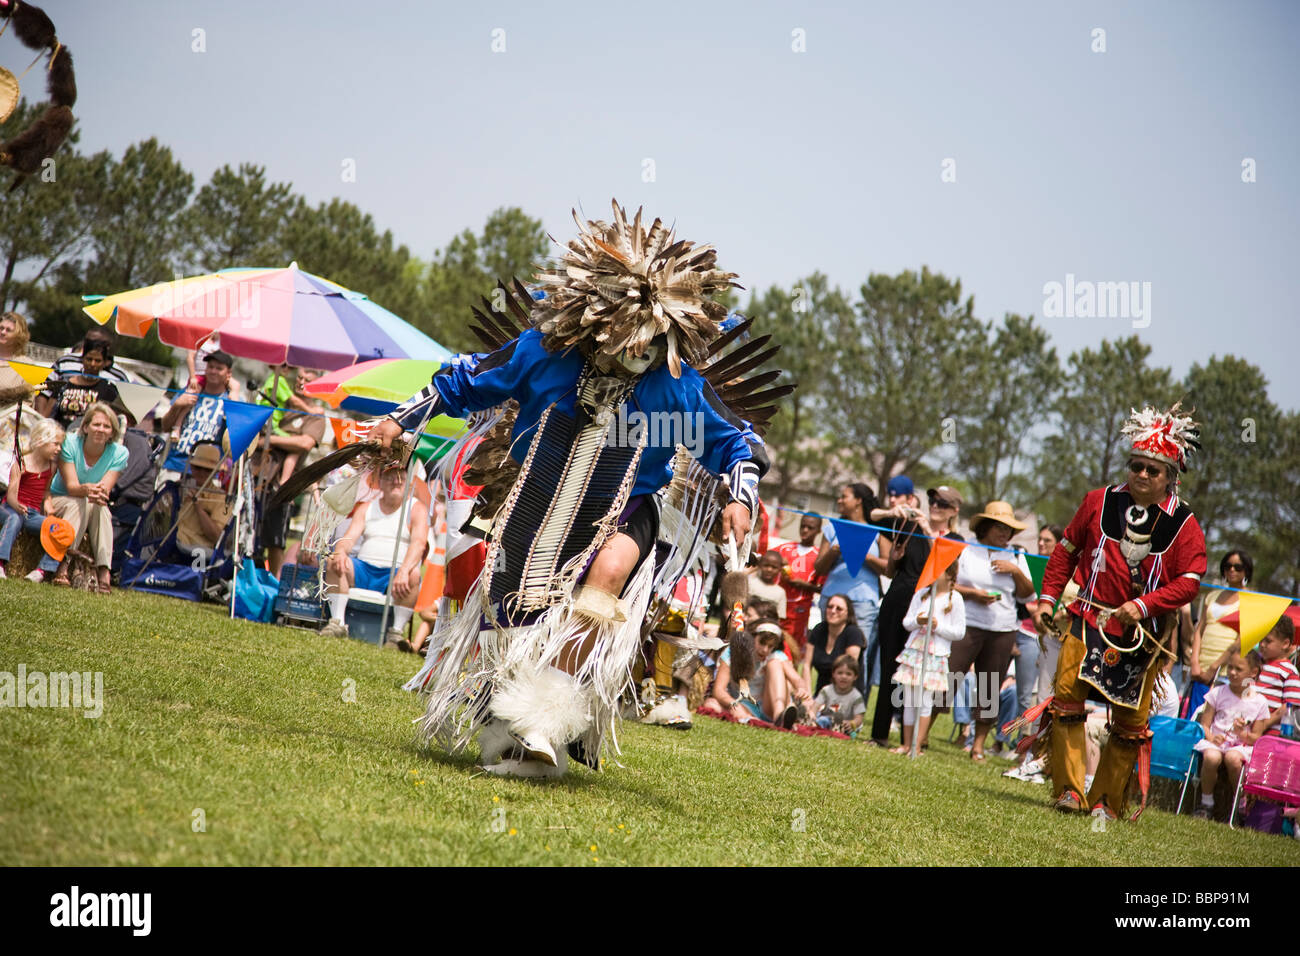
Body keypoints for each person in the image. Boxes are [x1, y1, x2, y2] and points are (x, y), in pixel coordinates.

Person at [372, 203, 775, 778]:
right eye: (627, 340)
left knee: (607, 575)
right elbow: (466, 380)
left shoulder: (675, 387)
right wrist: (402, 418)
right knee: (513, 612)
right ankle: (510, 719)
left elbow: (737, 443)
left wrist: (739, 495)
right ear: (597, 324)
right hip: (535, 503)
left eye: (650, 342)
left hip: (625, 507)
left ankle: (545, 720)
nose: (638, 353)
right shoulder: (544, 353)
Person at [1034, 403, 1207, 821]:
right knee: (1067, 701)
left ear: (1170, 477)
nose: (1142, 475)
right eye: (1137, 466)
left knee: (1130, 721)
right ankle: (1070, 792)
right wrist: (1047, 598)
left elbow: (1191, 580)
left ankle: (1107, 802)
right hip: (1087, 618)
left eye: (1153, 470)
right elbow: (1065, 552)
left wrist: (1143, 605)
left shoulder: (1184, 523)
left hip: (1142, 634)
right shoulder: (1098, 502)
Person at [868, 482, 963, 746]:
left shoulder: (954, 540)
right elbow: (873, 516)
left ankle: (912, 741)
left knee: (918, 674)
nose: (934, 506)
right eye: (932, 501)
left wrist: (924, 528)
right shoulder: (910, 526)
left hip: (927, 606)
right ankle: (879, 735)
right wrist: (897, 511)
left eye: (942, 503)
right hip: (898, 597)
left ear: (953, 510)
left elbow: (942, 564)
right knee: (888, 666)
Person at [951, 501, 1035, 761]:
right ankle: (922, 734)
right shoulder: (966, 550)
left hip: (1002, 629)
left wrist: (1016, 572)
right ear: (985, 527)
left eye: (1008, 529)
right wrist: (974, 594)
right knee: (950, 677)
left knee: (989, 688)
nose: (1004, 533)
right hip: (967, 623)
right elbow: (948, 584)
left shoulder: (1017, 556)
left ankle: (978, 746)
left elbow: (1027, 595)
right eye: (999, 527)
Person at [322, 464, 430, 650]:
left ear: (408, 484)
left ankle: (395, 634)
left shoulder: (416, 509)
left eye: (401, 478)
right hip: (363, 568)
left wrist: (404, 570)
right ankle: (337, 622)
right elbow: (348, 537)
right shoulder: (367, 507)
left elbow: (419, 543)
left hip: (395, 573)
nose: (395, 482)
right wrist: (340, 551)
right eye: (390, 477)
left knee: (413, 575)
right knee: (334, 560)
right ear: (380, 482)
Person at [251, 367, 327, 576]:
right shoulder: (282, 404)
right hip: (258, 475)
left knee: (275, 540)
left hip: (284, 487)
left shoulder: (316, 417)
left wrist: (267, 441)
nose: (301, 382)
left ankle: (275, 583)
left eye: (308, 380)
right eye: (300, 378)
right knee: (248, 532)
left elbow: (304, 443)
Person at [46, 402, 129, 592]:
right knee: (79, 502)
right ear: (85, 427)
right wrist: (90, 490)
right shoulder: (70, 443)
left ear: (112, 432)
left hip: (90, 502)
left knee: (102, 508)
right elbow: (72, 487)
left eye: (106, 426)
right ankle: (65, 562)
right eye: (96, 424)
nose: (101, 429)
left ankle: (103, 570)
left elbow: (104, 491)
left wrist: (97, 493)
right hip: (61, 499)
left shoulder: (119, 453)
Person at [813, 483, 885, 687]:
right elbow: (819, 568)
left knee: (856, 657)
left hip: (863, 602)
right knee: (828, 654)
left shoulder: (878, 532)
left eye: (844, 496)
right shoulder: (832, 528)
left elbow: (888, 568)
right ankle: (822, 702)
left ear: (858, 501)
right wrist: (833, 552)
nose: (839, 500)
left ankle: (853, 713)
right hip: (832, 599)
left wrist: (864, 556)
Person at [892, 561, 965, 755]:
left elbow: (959, 631)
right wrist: (919, 621)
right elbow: (907, 623)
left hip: (936, 654)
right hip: (915, 651)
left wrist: (937, 626)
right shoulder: (921, 593)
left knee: (924, 700)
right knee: (909, 699)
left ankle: (917, 745)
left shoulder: (955, 599)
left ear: (950, 574)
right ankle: (906, 744)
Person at [1191, 649, 1270, 821]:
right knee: (1211, 757)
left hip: (1241, 746)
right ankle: (1206, 803)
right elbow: (1204, 724)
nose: (1232, 673)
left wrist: (1242, 734)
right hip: (1217, 742)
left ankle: (1239, 803)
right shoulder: (1218, 693)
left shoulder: (1259, 701)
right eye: (1230, 668)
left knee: (1233, 759)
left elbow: (1257, 737)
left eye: (1238, 669)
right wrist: (1212, 737)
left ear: (1253, 672)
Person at [1184, 550, 1250, 718]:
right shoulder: (1212, 595)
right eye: (1228, 566)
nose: (1232, 570)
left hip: (1226, 672)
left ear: (1246, 570)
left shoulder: (1251, 599)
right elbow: (1200, 629)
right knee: (1193, 719)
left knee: (1214, 720)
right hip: (1200, 669)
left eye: (1238, 566)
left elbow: (1241, 640)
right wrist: (1194, 662)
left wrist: (1215, 667)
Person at [0, 419, 64, 579]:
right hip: (11, 507)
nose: (59, 449)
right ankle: (0, 563)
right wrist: (17, 505)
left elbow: (46, 491)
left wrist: (48, 505)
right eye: (55, 444)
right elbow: (11, 493)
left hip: (32, 513)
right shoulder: (22, 462)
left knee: (62, 529)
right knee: (13, 519)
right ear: (41, 441)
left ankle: (42, 570)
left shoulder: (52, 466)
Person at [161, 349, 235, 473]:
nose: (213, 371)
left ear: (228, 373)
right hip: (174, 465)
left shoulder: (231, 400)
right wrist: (177, 405)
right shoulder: (190, 391)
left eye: (219, 368)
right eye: (210, 367)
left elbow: (233, 441)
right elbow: (165, 427)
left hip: (207, 472)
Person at [36, 340, 120, 429]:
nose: (92, 364)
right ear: (82, 359)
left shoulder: (109, 390)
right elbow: (47, 415)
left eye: (97, 361)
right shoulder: (63, 385)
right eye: (89, 359)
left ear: (104, 363)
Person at [174, 442, 233, 559]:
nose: (201, 473)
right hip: (173, 544)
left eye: (207, 470)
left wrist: (199, 508)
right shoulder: (180, 488)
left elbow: (217, 537)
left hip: (198, 553)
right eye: (198, 468)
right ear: (191, 467)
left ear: (215, 472)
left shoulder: (221, 499)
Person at [777, 513, 825, 653]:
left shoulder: (819, 556)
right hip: (777, 607)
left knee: (793, 650)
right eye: (803, 526)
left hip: (799, 612)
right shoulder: (785, 548)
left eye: (810, 528)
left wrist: (804, 585)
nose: (805, 530)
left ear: (818, 531)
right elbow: (765, 560)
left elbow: (822, 588)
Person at [801, 593, 865, 694]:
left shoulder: (853, 634)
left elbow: (848, 672)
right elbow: (806, 665)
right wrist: (807, 696)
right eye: (830, 607)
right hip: (820, 694)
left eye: (839, 608)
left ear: (848, 613)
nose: (833, 611)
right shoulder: (819, 630)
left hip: (846, 695)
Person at [1254, 615, 1299, 738]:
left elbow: (1290, 705)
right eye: (1260, 639)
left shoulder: (1289, 671)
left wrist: (1264, 724)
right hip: (1247, 729)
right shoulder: (1256, 665)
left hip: (1270, 733)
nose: (1262, 644)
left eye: (1268, 641)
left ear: (1285, 643)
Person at [811, 654, 867, 732]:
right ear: (833, 674)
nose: (844, 677)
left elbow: (859, 718)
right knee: (822, 719)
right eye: (840, 673)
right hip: (828, 719)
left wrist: (852, 723)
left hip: (846, 724)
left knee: (853, 729)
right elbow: (815, 707)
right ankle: (809, 722)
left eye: (848, 674)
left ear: (855, 676)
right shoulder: (826, 690)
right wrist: (812, 715)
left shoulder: (856, 696)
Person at [0, 310, 34, 403]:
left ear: (18, 335)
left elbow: (28, 400)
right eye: (1, 328)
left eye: (8, 330)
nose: (3, 332)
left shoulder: (26, 364)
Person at [747, 550, 787, 621]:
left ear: (780, 569)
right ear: (759, 565)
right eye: (766, 565)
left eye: (774, 567)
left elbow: (780, 618)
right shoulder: (749, 583)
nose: (769, 569)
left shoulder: (780, 592)